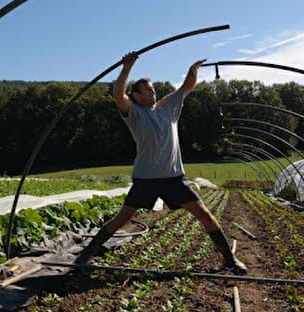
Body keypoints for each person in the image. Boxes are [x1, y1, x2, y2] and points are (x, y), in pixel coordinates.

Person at [75, 52, 247, 274]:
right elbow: (118, 95)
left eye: (153, 88)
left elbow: (186, 87)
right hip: (146, 179)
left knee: (204, 214)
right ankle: (85, 256)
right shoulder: (134, 113)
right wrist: (127, 67)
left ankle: (230, 259)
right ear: (136, 96)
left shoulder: (168, 108)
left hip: (174, 178)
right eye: (148, 89)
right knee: (122, 219)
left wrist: (192, 70)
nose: (153, 91)